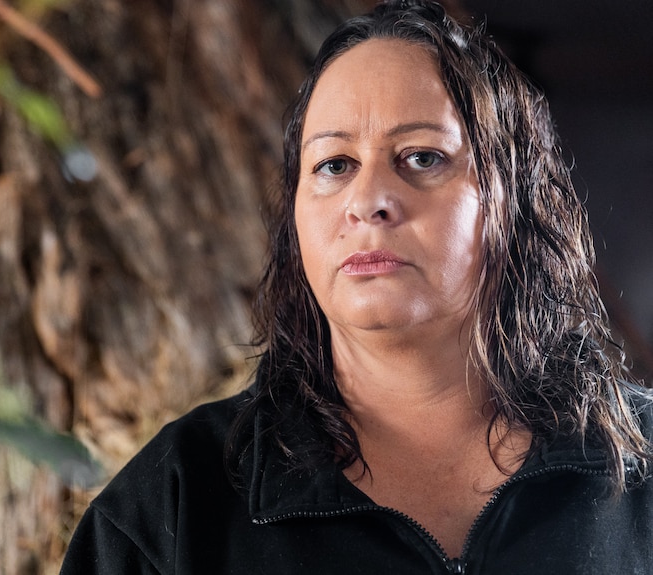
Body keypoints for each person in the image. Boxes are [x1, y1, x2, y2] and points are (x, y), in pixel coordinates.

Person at [60, 1, 653, 573]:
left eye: (421, 157)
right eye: (334, 165)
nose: (368, 201)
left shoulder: (640, 470)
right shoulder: (173, 504)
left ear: (514, 200)